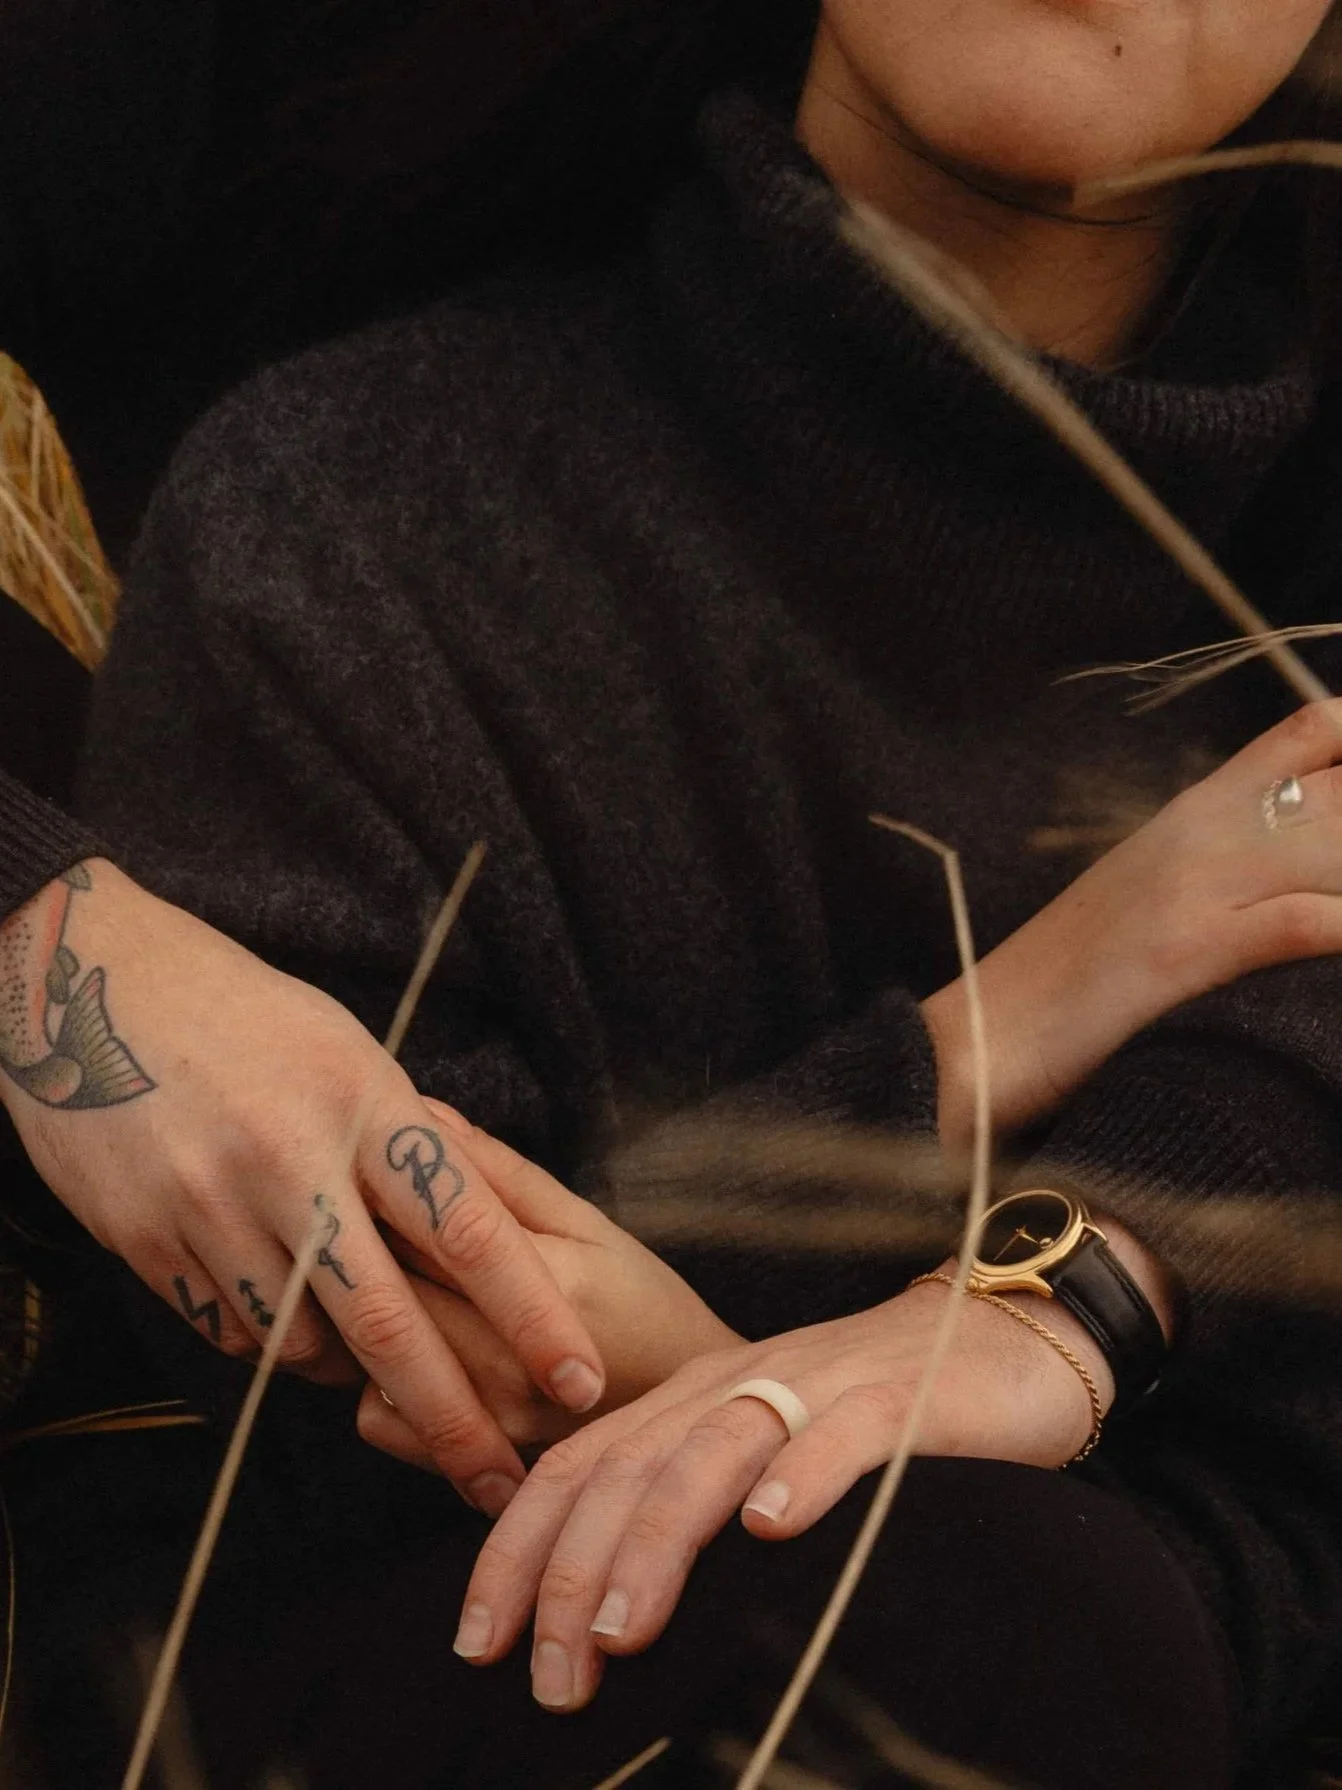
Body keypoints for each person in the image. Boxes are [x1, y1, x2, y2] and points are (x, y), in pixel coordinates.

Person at [66, 0, 1342, 1784]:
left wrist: (1025, 1349)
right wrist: (1010, 1023)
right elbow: (341, 1456)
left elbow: (1263, 1557)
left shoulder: (1301, 604)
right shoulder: (349, 521)